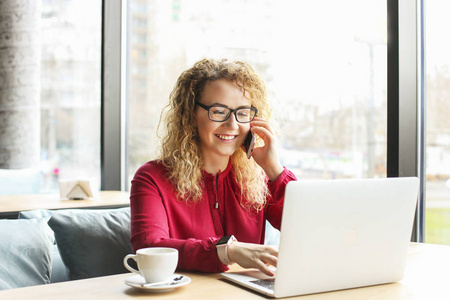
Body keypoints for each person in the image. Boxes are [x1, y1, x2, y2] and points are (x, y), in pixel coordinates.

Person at [130, 58, 297, 276]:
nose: (233, 125)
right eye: (218, 111)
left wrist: (274, 170)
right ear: (191, 115)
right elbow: (149, 247)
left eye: (243, 112)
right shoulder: (151, 178)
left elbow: (308, 231)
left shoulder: (259, 179)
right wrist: (228, 250)